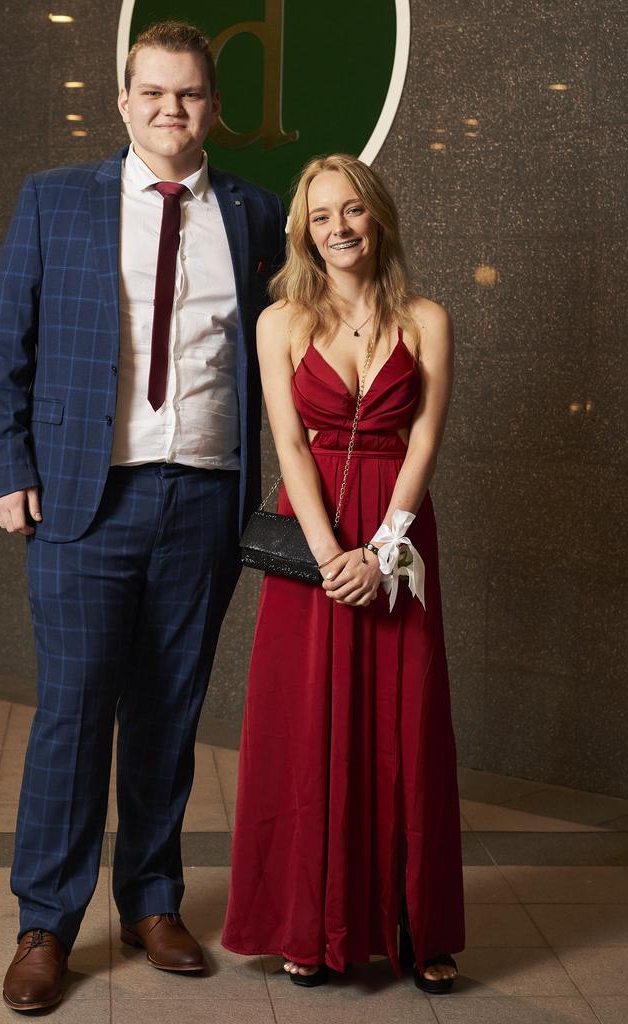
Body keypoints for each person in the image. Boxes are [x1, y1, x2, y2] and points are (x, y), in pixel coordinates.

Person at [0, 20, 285, 1013]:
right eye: (153, 92)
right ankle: (45, 923)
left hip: (203, 499)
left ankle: (154, 899)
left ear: (212, 107)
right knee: (72, 715)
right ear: (123, 99)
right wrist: (5, 468)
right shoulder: (54, 200)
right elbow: (3, 350)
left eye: (189, 94)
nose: (170, 109)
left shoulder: (253, 213)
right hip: (81, 498)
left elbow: (288, 349)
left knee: (167, 714)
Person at [221, 154, 465, 993]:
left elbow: (425, 440)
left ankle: (416, 925)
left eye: (352, 211)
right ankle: (309, 922)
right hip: (314, 544)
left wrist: (385, 548)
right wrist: (332, 559)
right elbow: (287, 444)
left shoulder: (428, 318)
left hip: (396, 540)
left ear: (379, 217)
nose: (338, 229)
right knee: (307, 730)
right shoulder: (280, 321)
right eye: (321, 217)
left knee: (409, 731)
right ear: (303, 232)